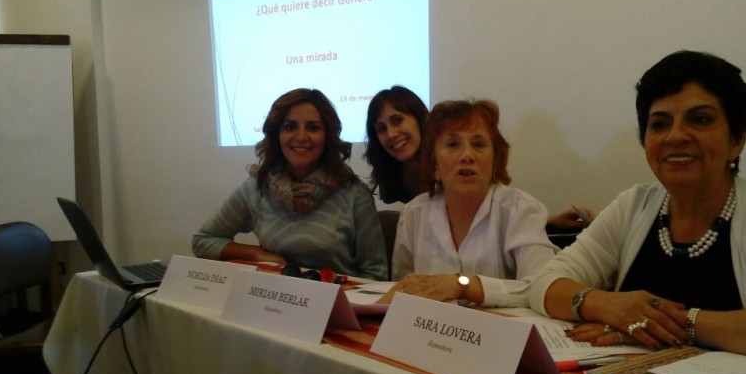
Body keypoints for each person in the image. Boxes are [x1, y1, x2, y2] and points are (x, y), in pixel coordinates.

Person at [530, 50, 746, 362]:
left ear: (737, 140)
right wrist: (607, 305)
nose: (675, 136)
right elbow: (544, 284)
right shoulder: (633, 206)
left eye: (700, 120)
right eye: (660, 124)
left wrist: (673, 325)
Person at [192, 88, 387, 281]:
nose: (301, 137)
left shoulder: (354, 194)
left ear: (328, 135)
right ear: (277, 133)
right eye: (290, 126)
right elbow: (203, 241)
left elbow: (376, 275)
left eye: (313, 127)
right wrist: (256, 254)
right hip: (274, 297)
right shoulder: (257, 186)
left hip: (340, 299)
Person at [379, 99, 558, 308]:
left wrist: (463, 285)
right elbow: (404, 290)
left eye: (478, 144)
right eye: (453, 145)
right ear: (434, 166)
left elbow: (543, 290)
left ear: (495, 161)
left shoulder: (520, 209)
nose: (467, 155)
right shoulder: (413, 214)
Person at [364, 85, 594, 228]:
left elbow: (490, 216)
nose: (391, 134)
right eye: (381, 129)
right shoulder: (396, 176)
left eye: (397, 120)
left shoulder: (456, 163)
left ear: (420, 118)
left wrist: (546, 222)